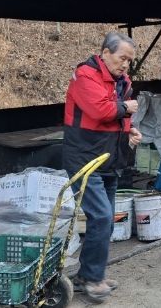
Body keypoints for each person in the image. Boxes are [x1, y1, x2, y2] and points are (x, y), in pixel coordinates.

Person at [62, 32, 142, 302]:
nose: (125, 65)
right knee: (101, 217)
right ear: (105, 53)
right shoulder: (85, 76)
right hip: (84, 159)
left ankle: (88, 274)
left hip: (109, 159)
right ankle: (93, 279)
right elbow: (100, 111)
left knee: (105, 220)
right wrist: (125, 107)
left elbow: (118, 116)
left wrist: (130, 130)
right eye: (122, 58)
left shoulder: (121, 82)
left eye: (130, 61)